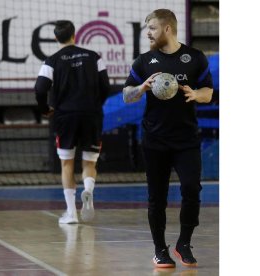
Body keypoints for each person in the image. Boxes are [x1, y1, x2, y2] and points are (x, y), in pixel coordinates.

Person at [123, 9, 213, 268]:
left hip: (186, 139)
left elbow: (209, 91)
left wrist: (197, 95)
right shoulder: (143, 62)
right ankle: (159, 249)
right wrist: (141, 88)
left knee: (192, 189)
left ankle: (183, 243)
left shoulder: (194, 58)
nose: (148, 33)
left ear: (167, 29)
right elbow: (126, 95)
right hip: (155, 140)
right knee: (157, 197)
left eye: (151, 28)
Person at [35, 20, 111, 224]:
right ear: (74, 35)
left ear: (55, 37)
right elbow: (106, 85)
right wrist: (96, 105)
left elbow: (40, 89)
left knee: (67, 163)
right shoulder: (94, 56)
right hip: (92, 115)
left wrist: (45, 109)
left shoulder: (51, 61)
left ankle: (71, 214)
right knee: (89, 160)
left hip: (65, 116)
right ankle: (88, 190)